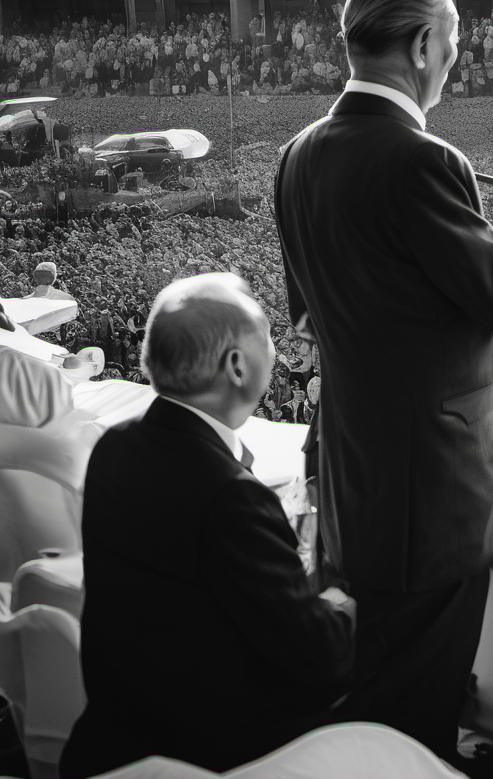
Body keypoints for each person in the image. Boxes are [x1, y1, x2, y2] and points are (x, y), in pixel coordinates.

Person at [274, 0, 493, 774]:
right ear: (417, 45)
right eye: (451, 41)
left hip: (349, 481)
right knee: (412, 725)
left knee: (366, 703)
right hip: (428, 506)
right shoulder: (425, 161)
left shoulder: (297, 157)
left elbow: (324, 311)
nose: (454, 59)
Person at [60, 274, 355, 778]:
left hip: (117, 738)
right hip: (214, 754)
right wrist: (344, 604)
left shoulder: (116, 447)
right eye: (265, 334)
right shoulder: (230, 496)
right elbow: (320, 662)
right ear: (237, 365)